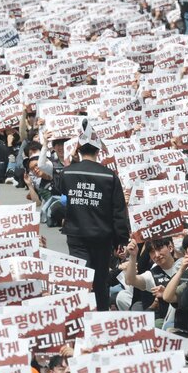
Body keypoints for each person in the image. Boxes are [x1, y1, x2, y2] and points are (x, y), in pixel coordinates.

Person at [55, 127, 130, 311]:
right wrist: (121, 240)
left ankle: (80, 313)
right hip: (102, 238)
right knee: (100, 281)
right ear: (98, 151)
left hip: (76, 236)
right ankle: (101, 316)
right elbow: (118, 211)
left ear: (78, 150)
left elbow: (60, 190)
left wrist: (72, 162)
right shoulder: (110, 176)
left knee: (81, 277)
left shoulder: (67, 173)